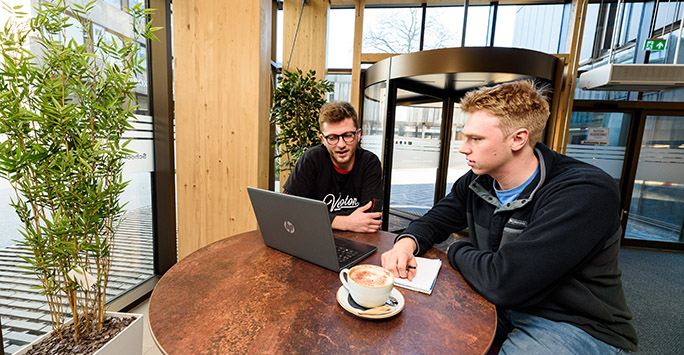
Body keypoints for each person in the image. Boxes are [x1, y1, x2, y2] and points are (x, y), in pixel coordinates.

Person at [381, 80, 638, 354]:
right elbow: (435, 220)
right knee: (418, 337)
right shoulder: (477, 180)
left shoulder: (585, 191)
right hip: (495, 301)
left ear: (518, 138)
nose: (463, 148)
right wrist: (405, 244)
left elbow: (505, 282)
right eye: (464, 136)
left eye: (475, 139)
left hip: (570, 321)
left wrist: (455, 249)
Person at [283, 101, 383, 233]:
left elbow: (371, 218)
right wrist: (345, 222)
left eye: (348, 135)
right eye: (332, 137)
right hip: (315, 237)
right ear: (323, 140)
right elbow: (287, 207)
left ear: (358, 135)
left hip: (358, 241)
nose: (341, 144)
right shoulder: (311, 159)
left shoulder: (369, 162)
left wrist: (314, 217)